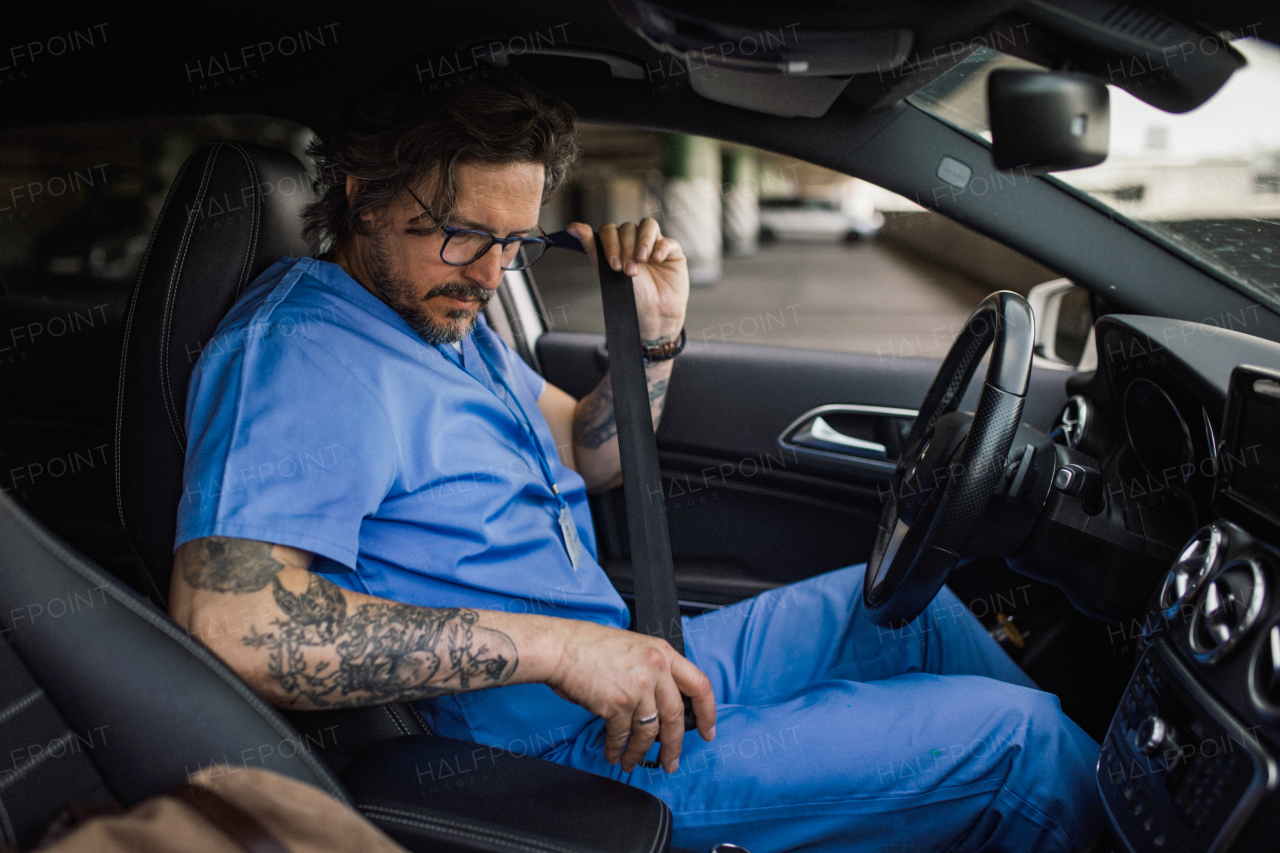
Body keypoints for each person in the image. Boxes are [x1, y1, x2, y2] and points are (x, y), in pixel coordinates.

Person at [170, 67, 1104, 853]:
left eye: (517, 242)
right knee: (1018, 744)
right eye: (463, 234)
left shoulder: (442, 318)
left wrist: (652, 338)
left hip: (631, 676)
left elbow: (589, 452)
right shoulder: (301, 356)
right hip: (548, 763)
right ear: (361, 192)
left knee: (915, 615)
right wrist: (560, 645)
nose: (494, 274)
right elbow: (233, 620)